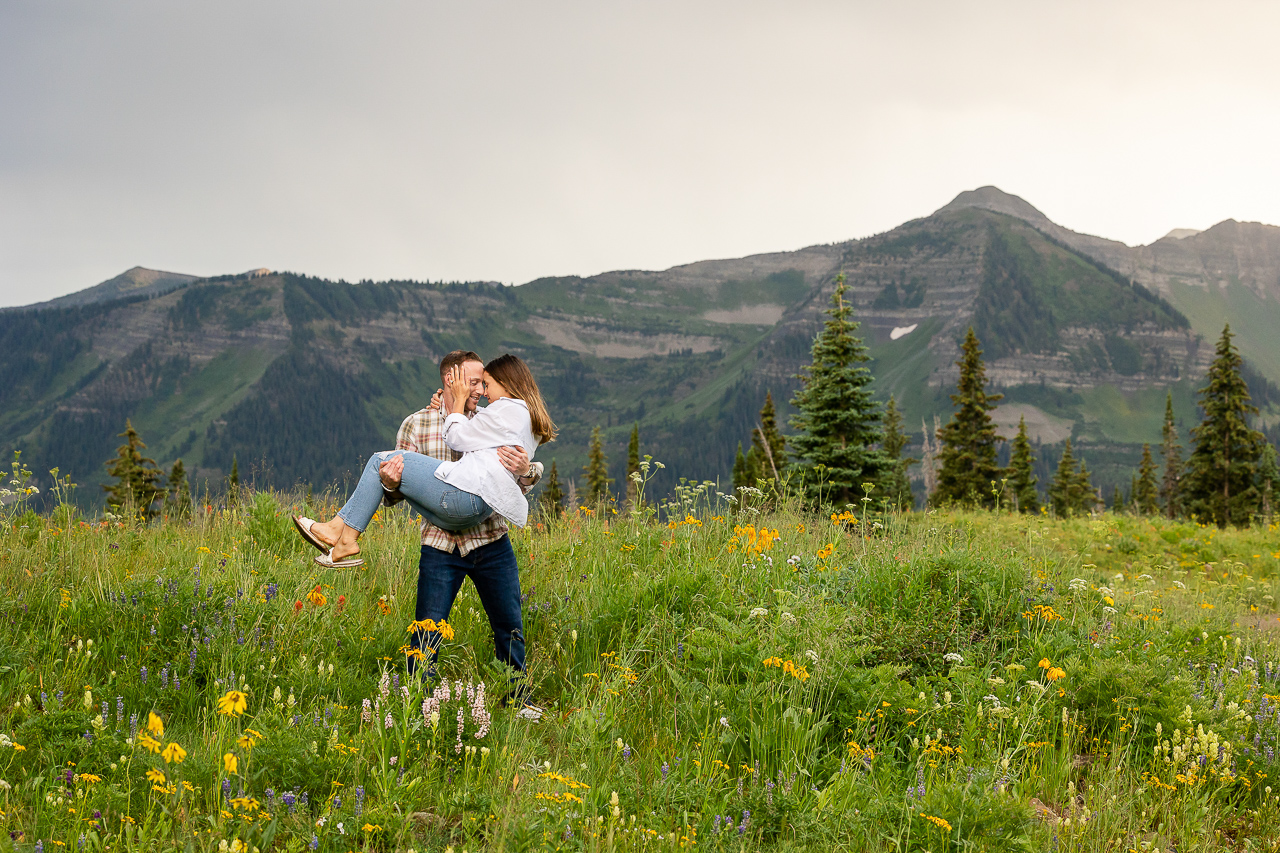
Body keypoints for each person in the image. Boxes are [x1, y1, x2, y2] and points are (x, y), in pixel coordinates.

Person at [295, 353, 555, 568]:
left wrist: (458, 401)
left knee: (378, 460)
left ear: (506, 383)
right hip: (448, 529)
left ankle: (338, 532)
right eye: (474, 383)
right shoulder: (419, 422)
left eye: (485, 384)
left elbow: (456, 437)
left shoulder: (496, 413)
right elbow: (390, 493)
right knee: (384, 467)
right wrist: (389, 482)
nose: (482, 392)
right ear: (450, 380)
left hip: (480, 528)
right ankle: (342, 540)